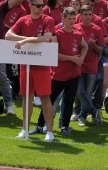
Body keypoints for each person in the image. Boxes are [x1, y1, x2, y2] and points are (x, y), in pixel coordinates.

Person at [5, 0, 56, 142]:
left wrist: (23, 41)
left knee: (45, 98)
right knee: (26, 97)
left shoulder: (48, 19)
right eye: (38, 5)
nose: (41, 8)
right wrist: (26, 40)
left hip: (42, 64)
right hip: (25, 64)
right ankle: (24, 129)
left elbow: (46, 38)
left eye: (42, 5)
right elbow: (8, 35)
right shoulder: (23, 20)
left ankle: (50, 131)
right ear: (31, 5)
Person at [33, 7, 87, 137]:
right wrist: (71, 58)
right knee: (49, 100)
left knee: (69, 101)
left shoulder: (78, 33)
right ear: (63, 18)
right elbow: (54, 54)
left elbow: (85, 46)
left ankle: (64, 126)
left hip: (74, 74)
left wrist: (81, 59)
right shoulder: (56, 33)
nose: (72, 21)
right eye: (69, 19)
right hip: (58, 74)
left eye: (74, 19)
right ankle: (40, 125)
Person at [74, 4, 105, 127]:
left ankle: (82, 116)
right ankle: (93, 111)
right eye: (85, 14)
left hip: (92, 66)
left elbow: (101, 50)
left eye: (89, 14)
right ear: (80, 15)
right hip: (78, 65)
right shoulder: (76, 28)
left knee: (87, 92)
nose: (87, 17)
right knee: (79, 91)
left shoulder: (97, 29)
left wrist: (93, 45)